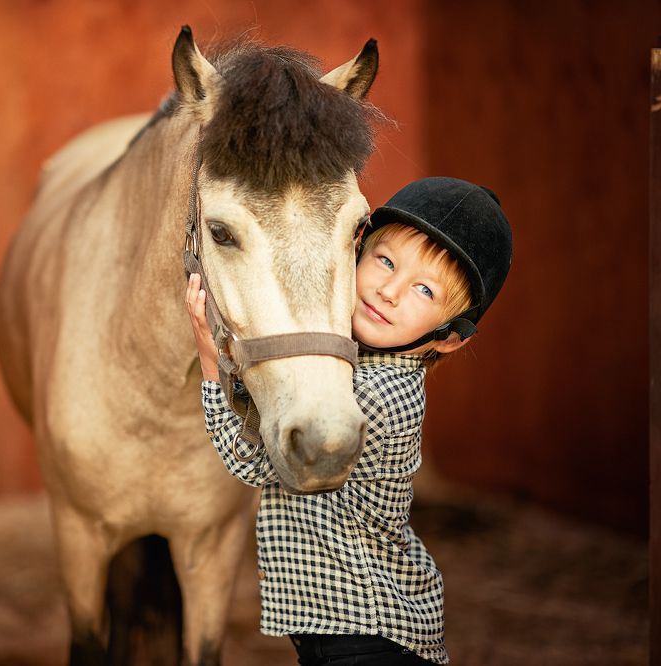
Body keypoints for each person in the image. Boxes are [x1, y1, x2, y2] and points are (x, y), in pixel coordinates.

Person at [184, 177, 513, 665]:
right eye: (385, 261)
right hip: (343, 632)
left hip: (371, 633)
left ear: (448, 337)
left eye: (424, 290)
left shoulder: (380, 397)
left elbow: (255, 464)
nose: (390, 291)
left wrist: (212, 365)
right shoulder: (348, 367)